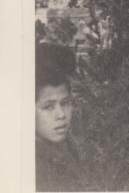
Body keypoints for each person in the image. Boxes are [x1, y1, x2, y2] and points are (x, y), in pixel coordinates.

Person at [35, 63, 85, 191]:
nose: (61, 115)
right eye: (48, 107)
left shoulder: (73, 149)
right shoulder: (28, 162)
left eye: (65, 103)